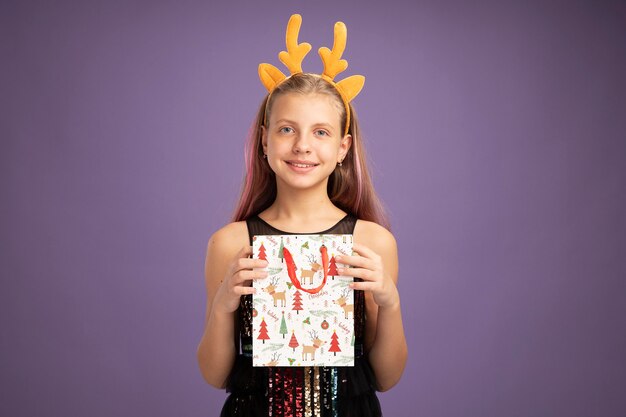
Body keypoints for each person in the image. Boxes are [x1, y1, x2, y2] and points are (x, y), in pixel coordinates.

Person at [197, 14, 407, 417]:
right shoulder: (230, 244)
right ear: (264, 140)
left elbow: (387, 376)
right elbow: (214, 373)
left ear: (344, 147)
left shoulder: (372, 242)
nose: (302, 146)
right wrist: (223, 305)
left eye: (321, 132)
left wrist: (390, 301)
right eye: (287, 129)